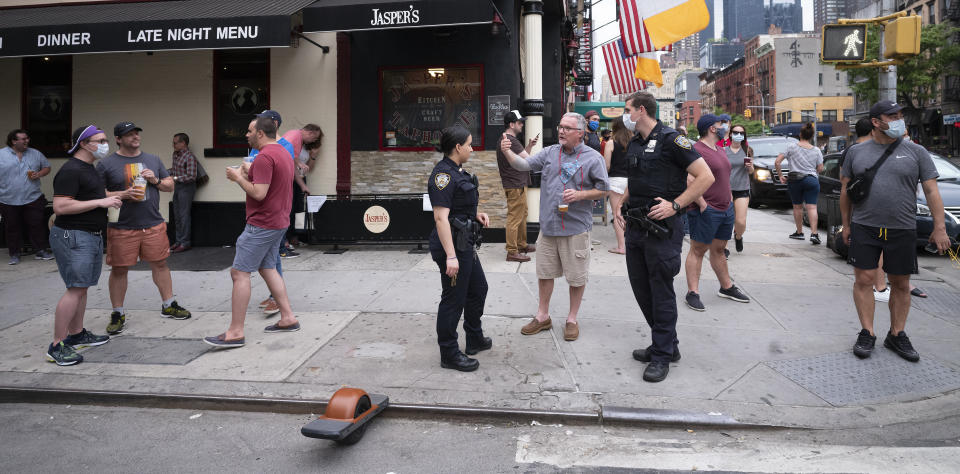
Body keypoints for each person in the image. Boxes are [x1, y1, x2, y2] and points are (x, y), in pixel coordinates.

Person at [613, 91, 714, 383]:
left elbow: (706, 176)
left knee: (661, 291)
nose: (625, 114)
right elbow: (638, 178)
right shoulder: (636, 142)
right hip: (636, 225)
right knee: (641, 289)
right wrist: (622, 200)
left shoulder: (673, 140)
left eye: (627, 109)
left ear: (641, 110)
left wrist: (676, 205)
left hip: (662, 230)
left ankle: (661, 356)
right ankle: (668, 344)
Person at [841, 100, 951, 362]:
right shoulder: (856, 152)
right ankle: (867, 332)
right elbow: (846, 190)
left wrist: (939, 227)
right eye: (892, 116)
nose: (899, 120)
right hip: (865, 226)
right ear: (876, 122)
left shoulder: (916, 152)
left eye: (900, 115)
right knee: (864, 280)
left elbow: (931, 191)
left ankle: (896, 334)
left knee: (901, 284)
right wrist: (846, 225)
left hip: (902, 227)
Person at [500, 112, 609, 342]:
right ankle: (542, 316)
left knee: (577, 277)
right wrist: (507, 151)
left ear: (580, 133)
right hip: (548, 226)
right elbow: (523, 165)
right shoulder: (550, 152)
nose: (561, 131)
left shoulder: (593, 157)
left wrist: (581, 194)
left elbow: (604, 189)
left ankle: (571, 319)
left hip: (576, 228)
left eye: (567, 128)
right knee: (545, 273)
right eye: (560, 126)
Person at [205, 116, 301, 348]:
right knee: (267, 267)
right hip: (279, 222)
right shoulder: (283, 153)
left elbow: (259, 194)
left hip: (261, 224)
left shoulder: (265, 157)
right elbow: (272, 184)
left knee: (239, 273)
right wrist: (251, 172)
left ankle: (235, 332)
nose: (246, 135)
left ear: (260, 133)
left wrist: (239, 177)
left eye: (249, 131)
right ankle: (288, 318)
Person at [97, 121, 192, 336]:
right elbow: (96, 194)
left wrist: (155, 179)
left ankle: (168, 304)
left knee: (160, 264)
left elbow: (170, 186)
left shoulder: (152, 159)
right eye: (128, 134)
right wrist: (121, 194)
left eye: (136, 133)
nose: (134, 137)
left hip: (152, 223)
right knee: (120, 270)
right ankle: (117, 313)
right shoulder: (106, 164)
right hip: (122, 226)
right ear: (118, 139)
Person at [46, 125, 122, 365]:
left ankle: (77, 334)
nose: (104, 144)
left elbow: (89, 196)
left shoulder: (89, 169)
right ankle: (57, 345)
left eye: (105, 139)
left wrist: (118, 196)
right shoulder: (70, 170)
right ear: (84, 144)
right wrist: (102, 201)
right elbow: (61, 207)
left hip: (90, 234)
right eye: (100, 140)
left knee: (83, 287)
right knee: (75, 288)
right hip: (73, 235)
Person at [427, 126, 492, 371]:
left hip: (464, 243)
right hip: (451, 248)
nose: (472, 148)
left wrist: (476, 214)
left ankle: (474, 337)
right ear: (457, 147)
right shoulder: (442, 176)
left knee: (478, 289)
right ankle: (449, 353)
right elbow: (441, 218)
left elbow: (458, 205)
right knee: (453, 300)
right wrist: (451, 257)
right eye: (469, 144)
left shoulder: (457, 171)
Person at [683, 115, 751, 312]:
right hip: (706, 210)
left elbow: (724, 177)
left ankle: (726, 287)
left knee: (719, 249)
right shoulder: (696, 150)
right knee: (698, 250)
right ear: (712, 128)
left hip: (724, 209)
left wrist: (729, 198)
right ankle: (692, 293)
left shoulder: (720, 149)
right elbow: (688, 179)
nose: (725, 127)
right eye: (721, 124)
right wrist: (702, 204)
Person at [1, 129, 54, 264]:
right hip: (8, 198)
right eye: (23, 139)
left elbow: (47, 167)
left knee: (36, 225)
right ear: (13, 141)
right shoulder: (1, 155)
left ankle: (41, 251)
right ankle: (14, 254)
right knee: (12, 227)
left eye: (27, 138)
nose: (27, 141)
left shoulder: (35, 153)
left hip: (32, 197)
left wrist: (40, 174)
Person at [496, 110, 537, 262]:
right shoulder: (511, 140)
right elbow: (529, 162)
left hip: (516, 183)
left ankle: (521, 245)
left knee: (522, 214)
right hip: (515, 184)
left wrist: (529, 146)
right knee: (515, 217)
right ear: (511, 124)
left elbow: (522, 158)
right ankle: (512, 251)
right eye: (519, 122)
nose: (522, 125)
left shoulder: (509, 140)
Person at [776, 123, 824, 244]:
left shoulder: (791, 147)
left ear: (800, 134)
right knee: (812, 207)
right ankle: (814, 234)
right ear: (811, 136)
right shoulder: (817, 150)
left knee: (798, 207)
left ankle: (799, 232)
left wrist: (781, 176)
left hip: (795, 180)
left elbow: (777, 162)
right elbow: (820, 168)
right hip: (812, 180)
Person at [281, 123, 323, 247]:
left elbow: (305, 167)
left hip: (299, 178)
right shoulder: (294, 136)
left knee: (300, 209)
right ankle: (284, 239)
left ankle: (295, 235)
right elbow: (287, 155)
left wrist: (313, 157)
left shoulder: (301, 142)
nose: (314, 141)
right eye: (315, 138)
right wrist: (299, 162)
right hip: (288, 179)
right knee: (289, 208)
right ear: (310, 133)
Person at [603, 116, 631, 254]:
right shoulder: (634, 142)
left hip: (615, 181)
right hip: (631, 181)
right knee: (632, 213)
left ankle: (621, 247)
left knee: (617, 214)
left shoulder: (611, 143)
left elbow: (606, 165)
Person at [726, 124, 754, 253]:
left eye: (741, 133)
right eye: (736, 132)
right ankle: (724, 247)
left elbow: (751, 171)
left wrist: (749, 166)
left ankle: (738, 236)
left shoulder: (748, 150)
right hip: (726, 189)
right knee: (726, 220)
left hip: (742, 188)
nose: (738, 135)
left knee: (740, 221)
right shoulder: (723, 150)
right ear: (730, 134)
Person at [168, 132, 198, 253]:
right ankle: (179, 241)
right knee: (177, 214)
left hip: (187, 188)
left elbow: (192, 176)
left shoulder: (189, 157)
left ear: (183, 143)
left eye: (175, 143)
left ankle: (185, 243)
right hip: (178, 187)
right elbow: (175, 170)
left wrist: (174, 178)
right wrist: (164, 173)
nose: (173, 145)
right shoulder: (175, 154)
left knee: (184, 215)